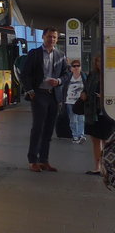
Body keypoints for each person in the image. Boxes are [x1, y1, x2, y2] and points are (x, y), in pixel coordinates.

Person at [23, 28, 68, 171]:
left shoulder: (60, 55)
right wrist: (30, 91)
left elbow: (66, 73)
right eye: (49, 36)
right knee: (38, 127)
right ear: (43, 37)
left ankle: (44, 160)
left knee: (49, 129)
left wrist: (59, 81)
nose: (52, 39)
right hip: (39, 94)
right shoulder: (34, 53)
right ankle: (33, 160)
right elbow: (25, 73)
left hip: (53, 95)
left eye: (54, 37)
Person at [79, 55, 114, 175]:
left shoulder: (111, 74)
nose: (100, 64)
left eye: (102, 61)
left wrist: (104, 96)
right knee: (95, 140)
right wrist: (84, 93)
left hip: (107, 112)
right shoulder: (92, 74)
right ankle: (98, 167)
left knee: (107, 141)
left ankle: (107, 167)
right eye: (98, 61)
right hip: (92, 111)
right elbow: (86, 88)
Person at [62, 60, 86, 142]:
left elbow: (87, 88)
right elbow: (64, 89)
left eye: (78, 66)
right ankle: (75, 136)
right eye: (74, 66)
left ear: (80, 67)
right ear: (71, 68)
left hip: (80, 102)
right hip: (69, 101)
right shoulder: (68, 77)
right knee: (73, 120)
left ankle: (81, 135)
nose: (76, 67)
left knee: (81, 119)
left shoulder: (84, 76)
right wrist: (62, 100)